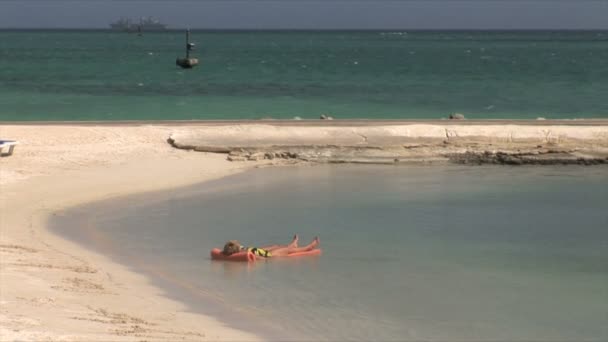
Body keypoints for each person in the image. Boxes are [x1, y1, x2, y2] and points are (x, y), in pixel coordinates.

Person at [222, 234, 319, 258]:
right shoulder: (243, 252)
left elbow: (258, 251)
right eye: (237, 243)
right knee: (287, 250)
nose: (239, 243)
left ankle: (293, 245)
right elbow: (256, 255)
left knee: (278, 247)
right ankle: (308, 247)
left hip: (267, 253)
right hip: (270, 256)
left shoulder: (242, 249)